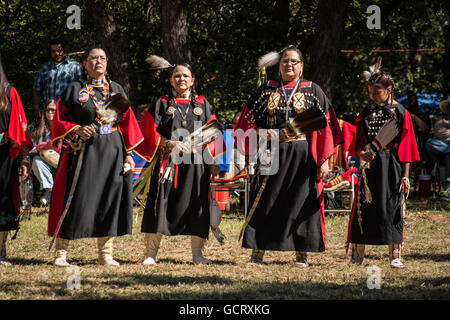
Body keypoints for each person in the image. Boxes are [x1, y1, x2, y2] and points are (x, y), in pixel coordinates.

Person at [233, 45, 343, 266]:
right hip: (269, 151)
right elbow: (246, 123)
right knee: (264, 199)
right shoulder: (266, 90)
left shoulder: (313, 90)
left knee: (301, 200)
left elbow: (327, 127)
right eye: (285, 61)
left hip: (303, 155)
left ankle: (301, 252)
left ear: (301, 65)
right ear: (279, 65)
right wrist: (266, 134)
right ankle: (258, 251)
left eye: (294, 61)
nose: (289, 65)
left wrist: (324, 160)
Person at [48, 46, 144, 267]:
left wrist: (129, 155)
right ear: (85, 64)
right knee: (75, 198)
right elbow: (59, 120)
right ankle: (61, 253)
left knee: (109, 199)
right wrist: (75, 129)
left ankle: (105, 254)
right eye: (93, 58)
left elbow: (128, 122)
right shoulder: (74, 89)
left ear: (107, 62)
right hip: (83, 151)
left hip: (113, 149)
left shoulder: (116, 89)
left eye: (102, 58)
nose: (98, 62)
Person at [136, 59, 221, 265]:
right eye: (177, 75)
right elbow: (147, 131)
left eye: (185, 76)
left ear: (192, 80)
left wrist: (213, 161)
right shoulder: (162, 103)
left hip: (196, 165)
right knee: (159, 204)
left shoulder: (202, 104)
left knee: (197, 206)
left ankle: (197, 255)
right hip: (167, 164)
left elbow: (214, 132)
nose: (181, 78)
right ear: (171, 80)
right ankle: (150, 254)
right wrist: (168, 143)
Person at [346, 71, 420, 268]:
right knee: (365, 206)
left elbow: (407, 146)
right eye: (370, 92)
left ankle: (395, 254)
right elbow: (358, 137)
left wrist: (405, 177)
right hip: (369, 165)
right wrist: (361, 152)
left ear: (388, 90)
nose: (373, 96)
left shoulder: (401, 112)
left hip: (392, 164)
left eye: (377, 92)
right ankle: (357, 255)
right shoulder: (366, 111)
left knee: (392, 207)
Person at [0, 55, 33, 265]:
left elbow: (20, 129)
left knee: (2, 199)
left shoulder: (9, 92)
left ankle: (0, 250)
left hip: (3, 158)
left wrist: (25, 160)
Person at [33, 39, 83, 118]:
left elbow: (82, 90)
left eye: (59, 50)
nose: (56, 53)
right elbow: (37, 90)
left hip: (68, 112)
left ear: (64, 50)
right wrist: (37, 109)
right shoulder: (44, 68)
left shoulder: (75, 67)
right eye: (53, 51)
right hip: (49, 113)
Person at [29, 99, 59, 206]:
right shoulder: (37, 129)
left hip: (60, 160)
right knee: (37, 160)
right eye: (48, 110)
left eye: (53, 110)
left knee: (47, 153)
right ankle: (50, 190)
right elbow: (32, 150)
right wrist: (44, 146)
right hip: (44, 161)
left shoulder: (62, 127)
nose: (50, 113)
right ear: (44, 112)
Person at [425, 95, 450, 200]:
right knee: (429, 143)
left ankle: (448, 188)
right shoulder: (440, 120)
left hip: (446, 153)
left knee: (449, 156)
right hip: (439, 148)